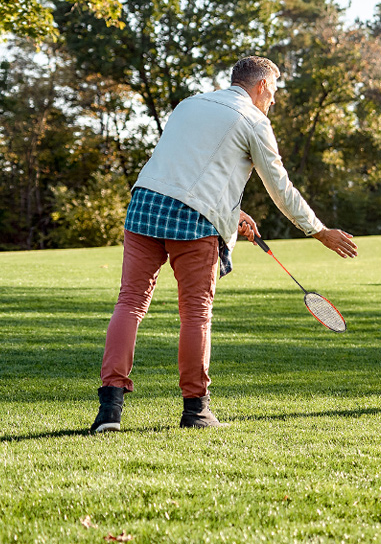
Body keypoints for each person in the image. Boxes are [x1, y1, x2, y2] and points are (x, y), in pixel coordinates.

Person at [91, 56, 358, 433]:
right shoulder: (254, 121)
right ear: (262, 85)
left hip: (143, 206)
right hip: (192, 223)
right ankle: (196, 411)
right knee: (196, 314)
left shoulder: (189, 104)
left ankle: (109, 411)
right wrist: (318, 231)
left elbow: (186, 171)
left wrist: (232, 214)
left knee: (130, 303)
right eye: (275, 92)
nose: (275, 101)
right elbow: (279, 189)